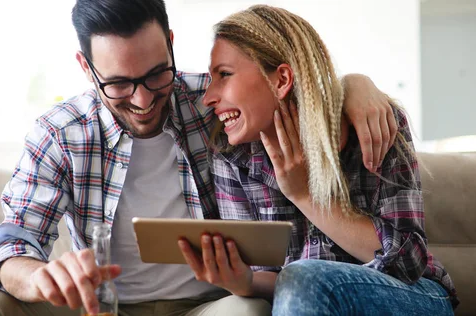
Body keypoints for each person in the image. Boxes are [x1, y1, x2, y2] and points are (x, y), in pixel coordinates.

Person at [0, 1, 397, 315]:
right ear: (86, 68)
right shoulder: (60, 132)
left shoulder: (213, 101)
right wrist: (35, 278)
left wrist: (356, 85)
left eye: (155, 73)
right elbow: (13, 242)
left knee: (247, 314)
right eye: (120, 85)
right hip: (98, 306)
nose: (144, 99)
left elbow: (287, 86)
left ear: (169, 43)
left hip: (207, 304)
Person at [177, 4, 458, 315]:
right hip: (306, 299)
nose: (208, 97)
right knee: (298, 281)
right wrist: (246, 281)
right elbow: (280, 283)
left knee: (303, 278)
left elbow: (408, 262)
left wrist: (304, 195)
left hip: (410, 295)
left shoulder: (374, 124)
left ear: (281, 79)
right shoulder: (233, 158)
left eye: (224, 75)